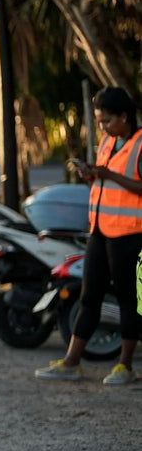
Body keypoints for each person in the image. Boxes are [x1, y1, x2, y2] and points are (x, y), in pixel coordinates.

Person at [35, 86, 142, 385]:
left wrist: (111, 176)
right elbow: (109, 181)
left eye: (107, 120)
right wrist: (93, 174)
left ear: (124, 116)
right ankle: (72, 362)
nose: (103, 127)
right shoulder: (108, 142)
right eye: (99, 121)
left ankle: (126, 366)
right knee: (89, 296)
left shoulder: (140, 144)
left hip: (130, 235)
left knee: (128, 300)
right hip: (101, 230)